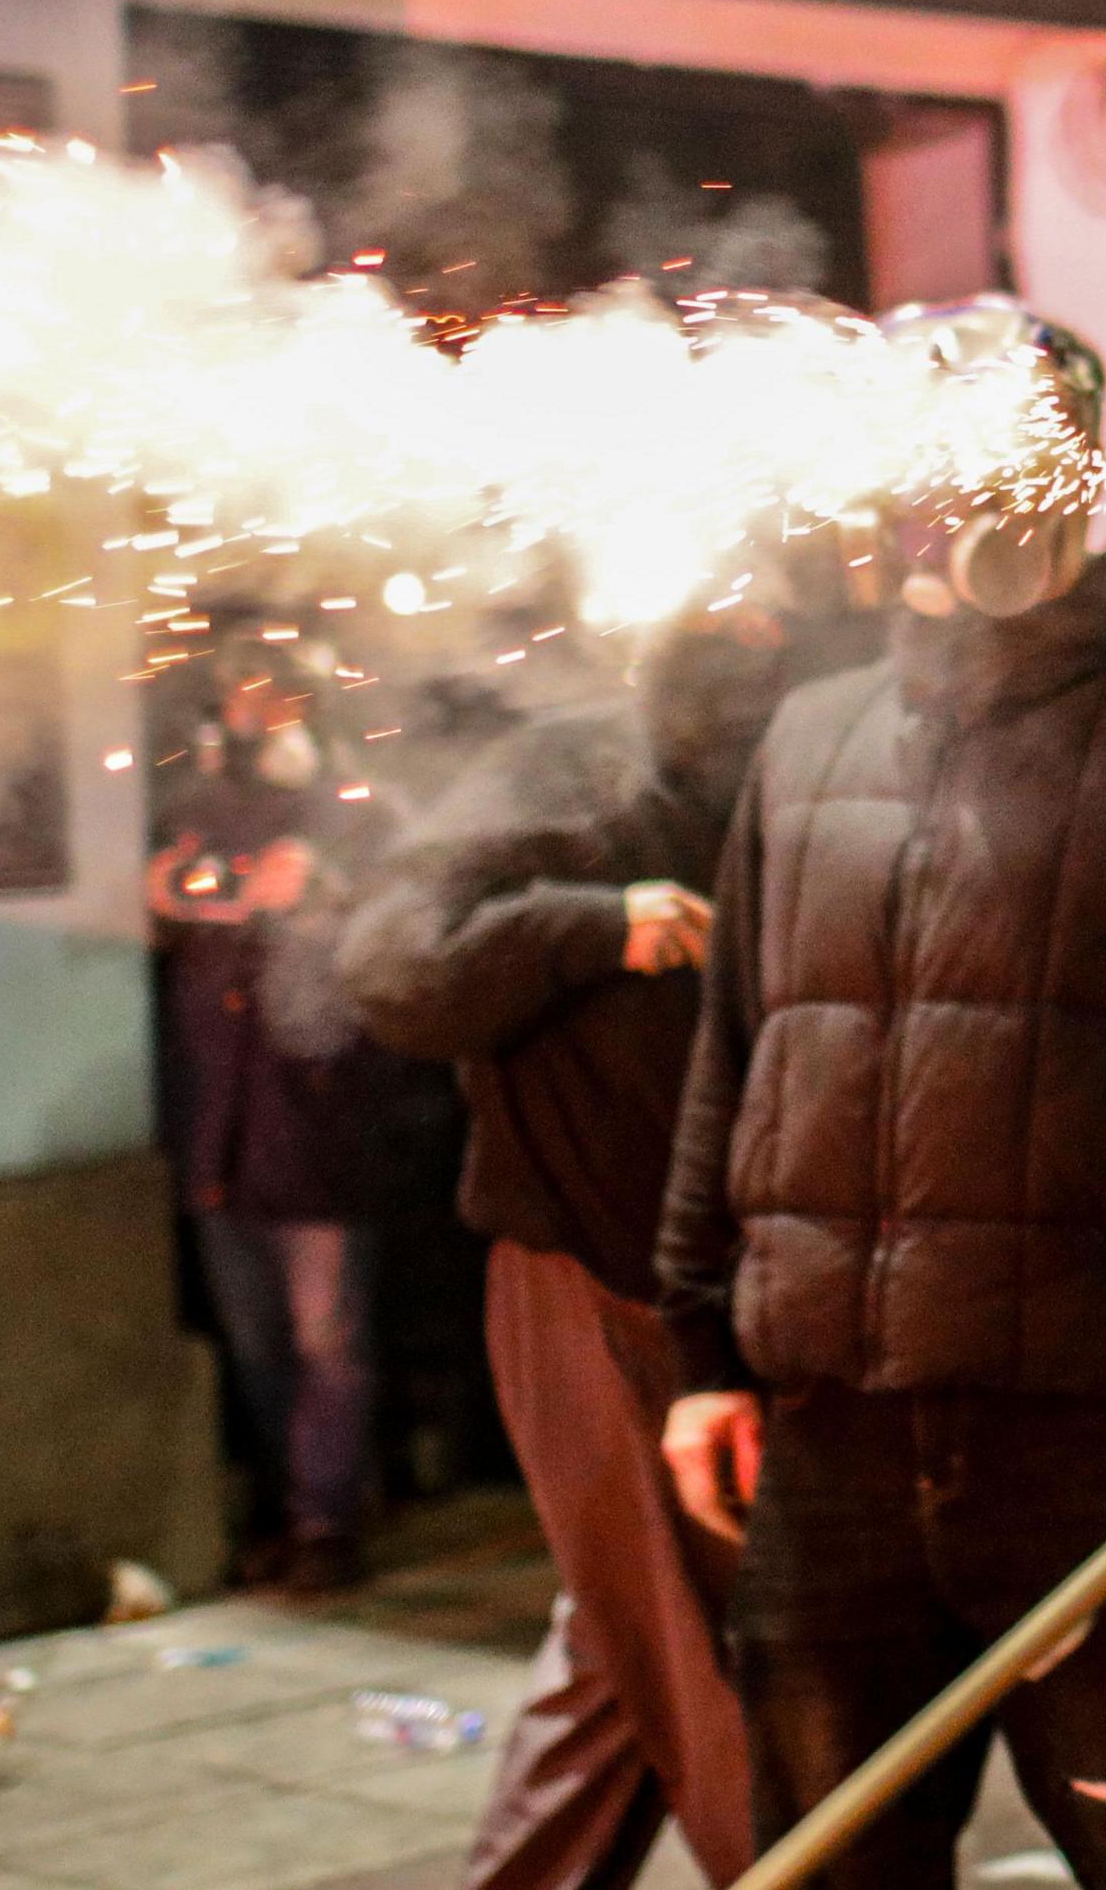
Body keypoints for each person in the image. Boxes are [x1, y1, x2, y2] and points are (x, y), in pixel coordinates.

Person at [655, 532, 1106, 1890]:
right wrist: (702, 1355)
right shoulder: (812, 734)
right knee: (835, 1860)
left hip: (1093, 1428)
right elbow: (736, 1054)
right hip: (829, 1425)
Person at [342, 608, 868, 1890]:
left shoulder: (810, 755)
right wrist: (586, 925)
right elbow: (391, 966)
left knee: (618, 1649)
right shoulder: (563, 768)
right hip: (596, 1275)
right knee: (710, 1646)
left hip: (749, 1286)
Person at [149, 654, 448, 1596]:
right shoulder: (195, 802)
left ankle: (326, 1520)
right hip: (220, 1127)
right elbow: (167, 910)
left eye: (265, 692)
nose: (249, 711)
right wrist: (203, 899)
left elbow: (412, 939)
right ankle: (291, 1508)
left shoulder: (362, 809)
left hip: (317, 1127)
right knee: (259, 1345)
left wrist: (323, 902)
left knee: (329, 1339)